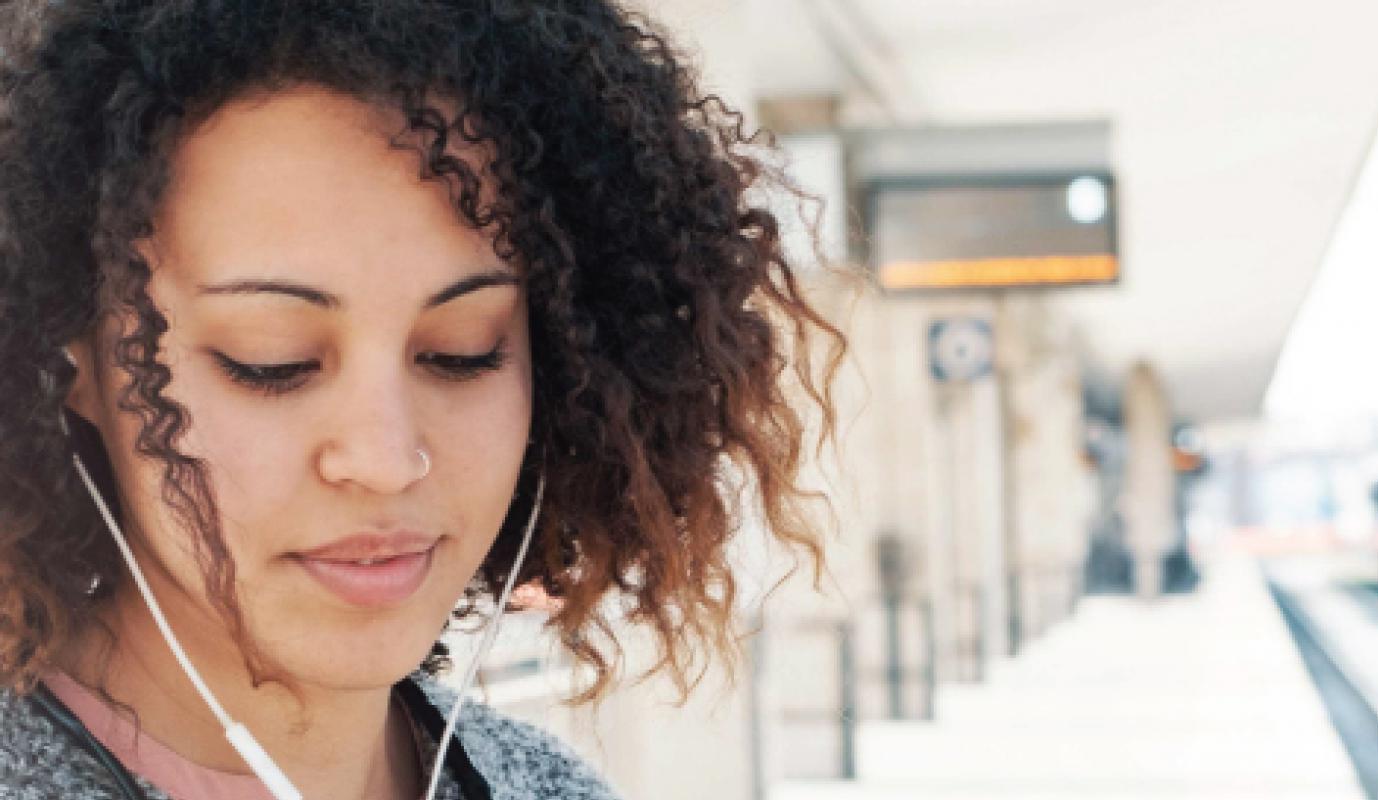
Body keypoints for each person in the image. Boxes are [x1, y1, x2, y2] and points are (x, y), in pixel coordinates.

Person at [0, 1, 842, 798]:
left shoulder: (545, 784)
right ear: (72, 359)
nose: (386, 459)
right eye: (271, 361)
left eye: (461, 352)